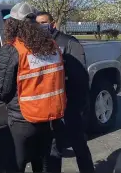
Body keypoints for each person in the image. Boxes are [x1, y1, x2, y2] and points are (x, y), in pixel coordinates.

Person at [0, 2, 66, 173]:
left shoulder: (13, 49)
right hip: (49, 117)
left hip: (23, 120)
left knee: (16, 164)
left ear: (13, 24)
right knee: (42, 163)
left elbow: (2, 91)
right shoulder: (52, 46)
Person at [36, 11, 95, 173]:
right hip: (53, 106)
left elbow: (81, 78)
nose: (40, 26)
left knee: (79, 145)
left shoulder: (69, 43)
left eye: (43, 22)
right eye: (37, 23)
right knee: (54, 149)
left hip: (71, 106)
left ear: (53, 24)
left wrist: (79, 105)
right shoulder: (39, 45)